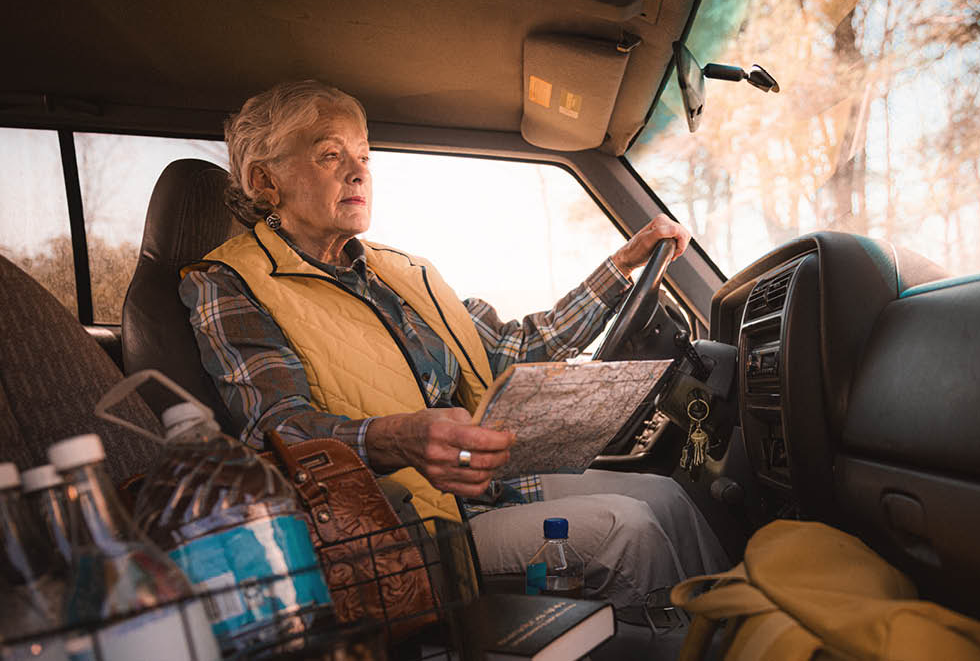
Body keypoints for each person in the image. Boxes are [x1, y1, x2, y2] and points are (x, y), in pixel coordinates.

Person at [180, 79, 729, 609]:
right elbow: (279, 430)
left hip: (484, 488)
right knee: (629, 529)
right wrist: (398, 438)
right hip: (404, 531)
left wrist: (623, 266)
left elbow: (514, 348)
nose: (358, 173)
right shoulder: (228, 283)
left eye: (365, 156)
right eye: (330, 155)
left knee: (669, 498)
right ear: (264, 181)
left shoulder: (402, 273)